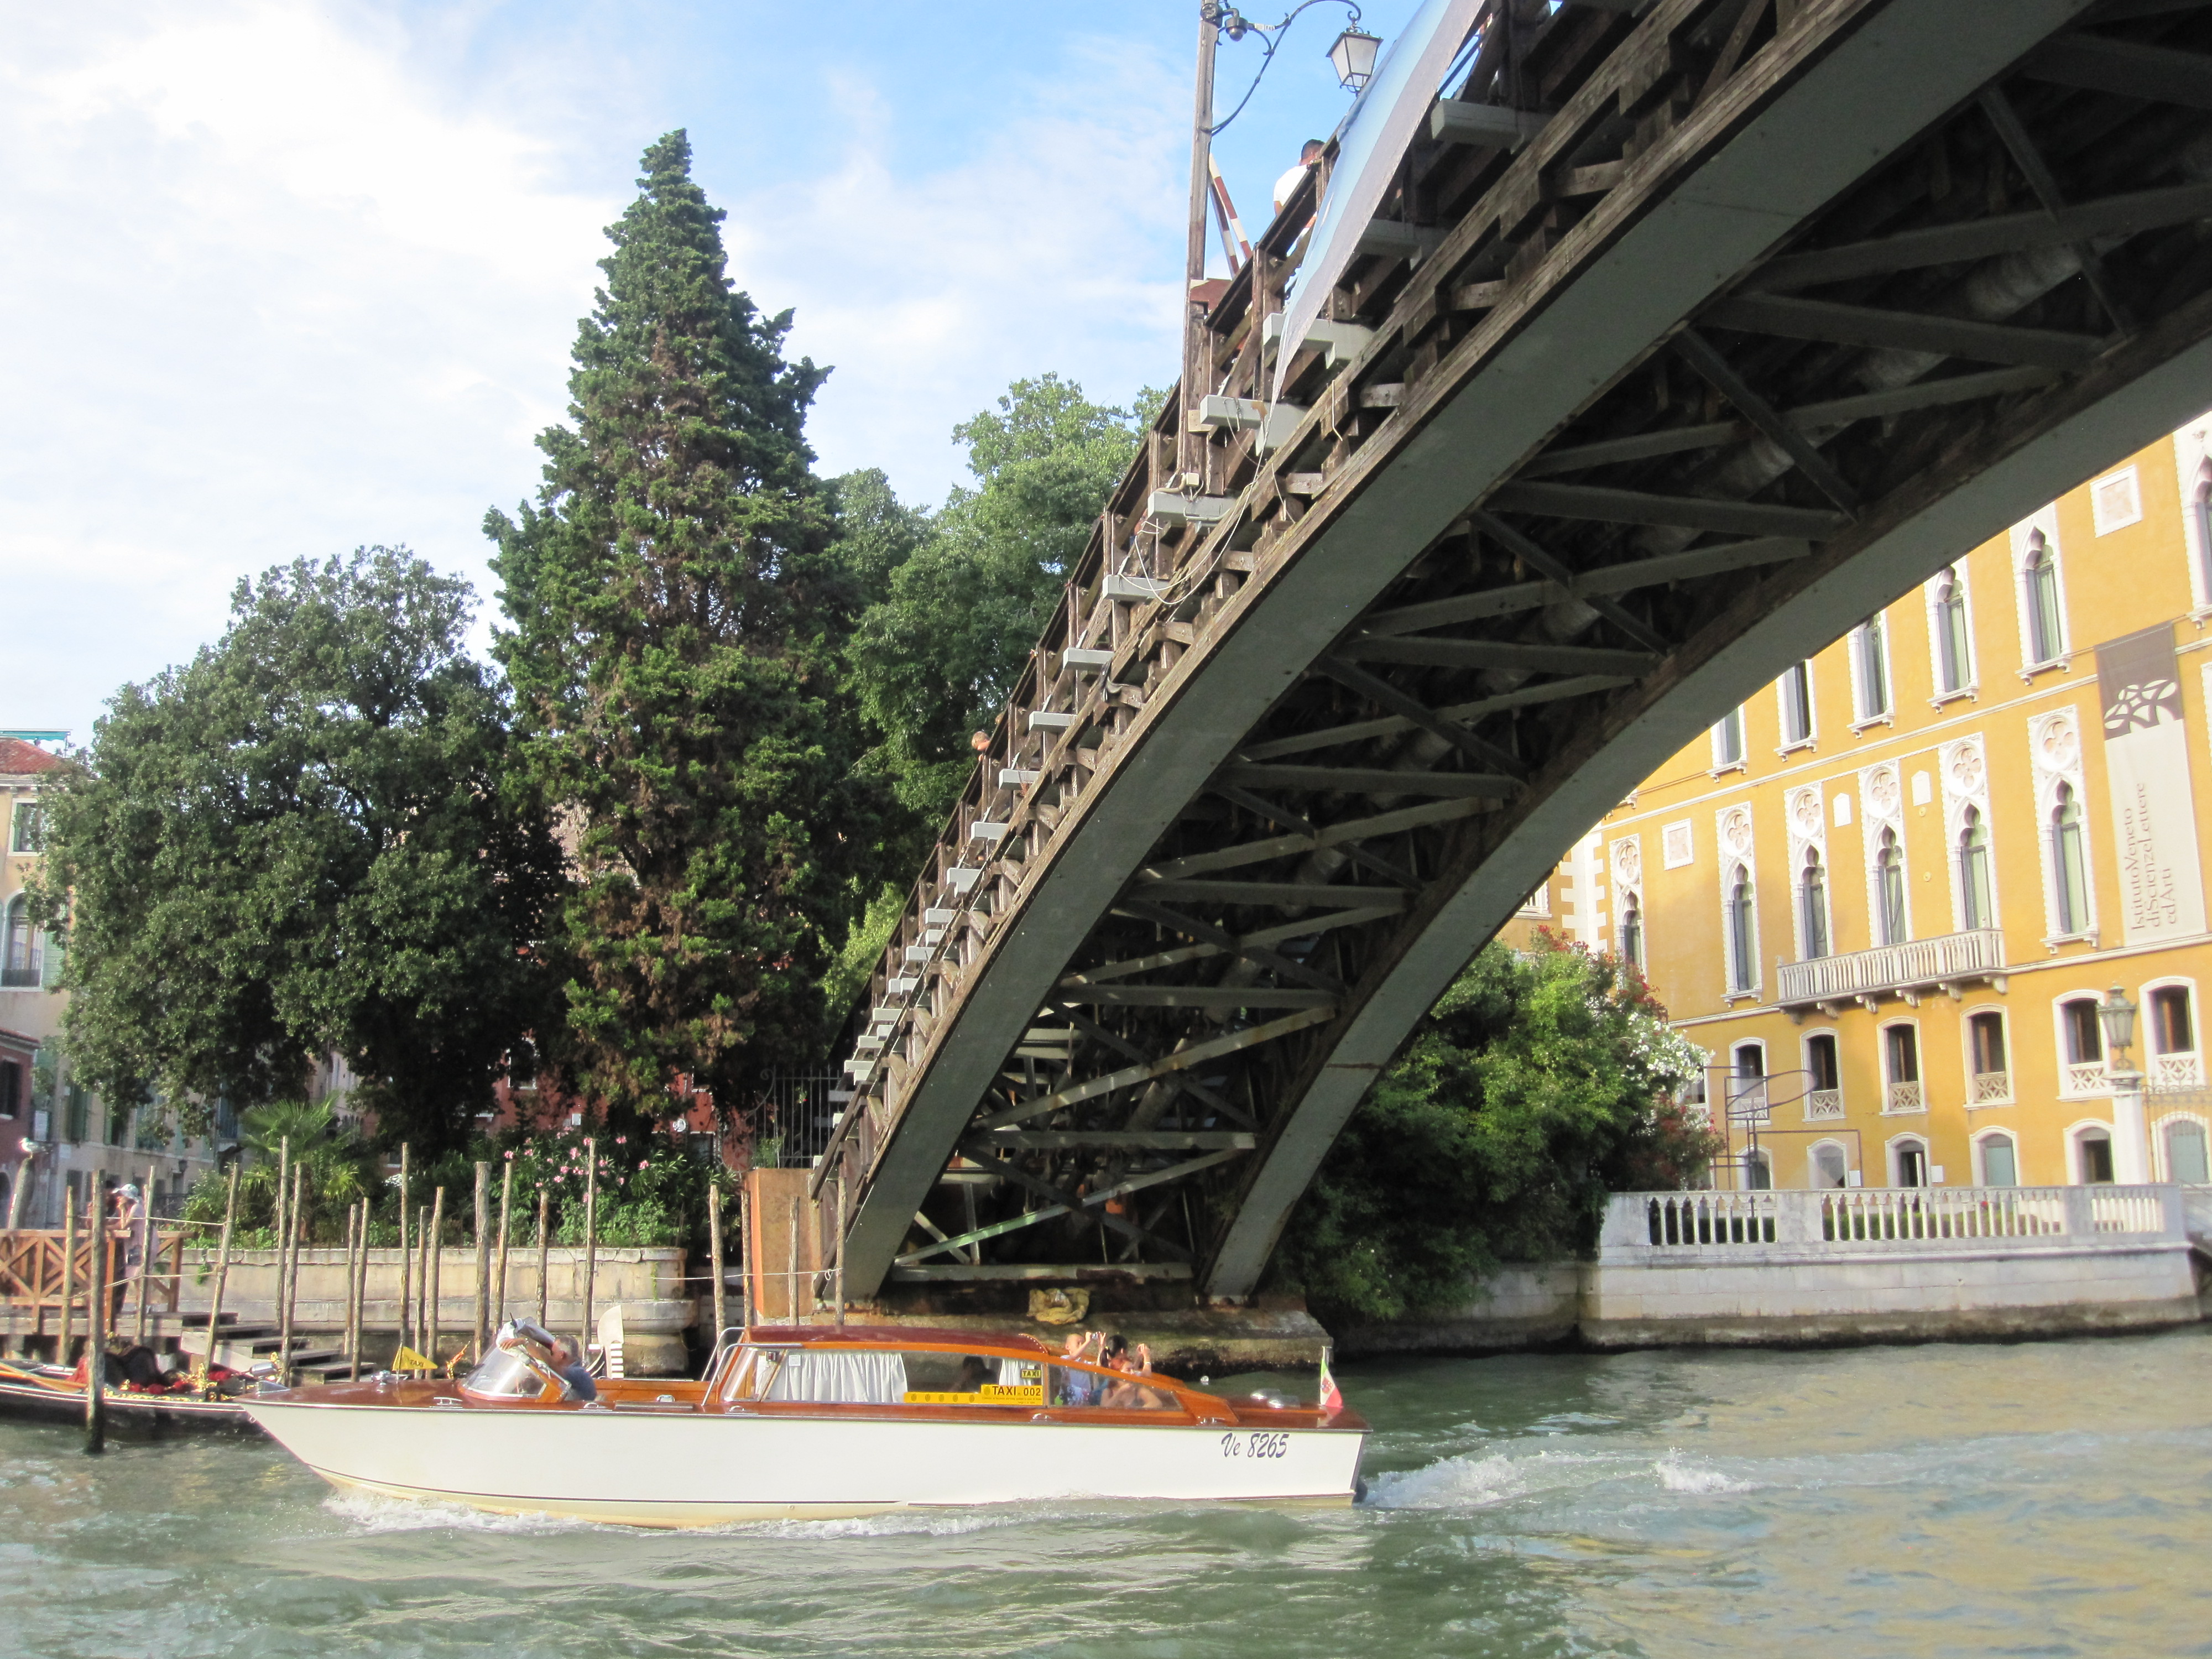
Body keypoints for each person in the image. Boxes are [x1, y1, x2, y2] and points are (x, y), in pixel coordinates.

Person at [1273, 138, 1325, 216]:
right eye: (1323, 154)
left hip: (1299, 223)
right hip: (1322, 220)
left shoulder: (1280, 182)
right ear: (1315, 154)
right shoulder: (1318, 170)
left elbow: (1279, 214)